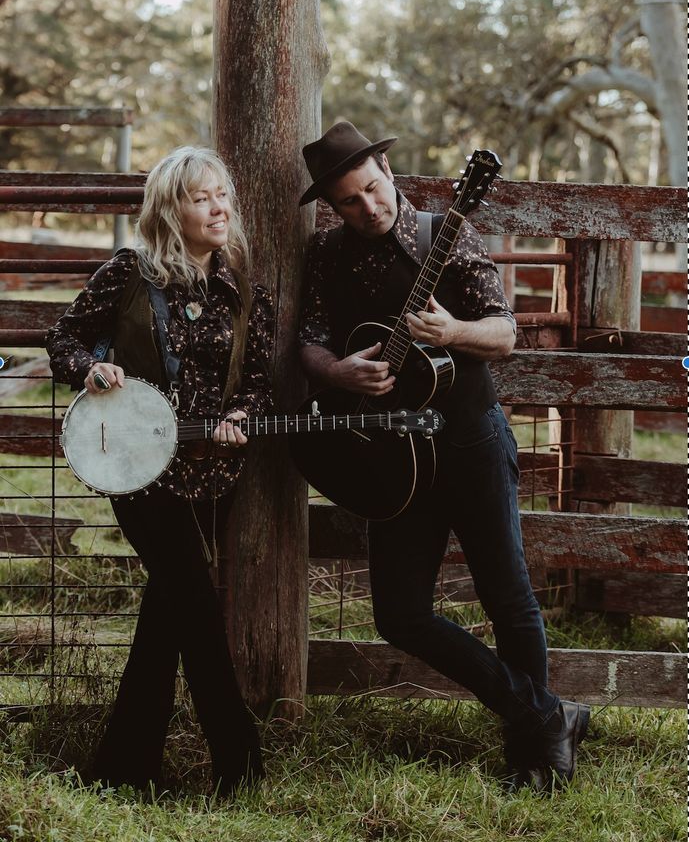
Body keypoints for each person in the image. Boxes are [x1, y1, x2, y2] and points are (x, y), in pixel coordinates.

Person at [296, 120, 589, 792]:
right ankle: (544, 715)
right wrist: (337, 373)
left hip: (467, 442)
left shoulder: (442, 235)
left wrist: (452, 330)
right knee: (398, 614)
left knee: (506, 598)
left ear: (388, 173)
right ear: (330, 206)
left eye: (372, 189)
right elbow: (306, 341)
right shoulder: (325, 257)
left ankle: (534, 755)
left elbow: (505, 333)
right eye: (349, 201)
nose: (368, 208)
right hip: (391, 461)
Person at [47, 146, 274, 798]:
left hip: (213, 474)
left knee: (169, 612)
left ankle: (124, 766)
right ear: (170, 208)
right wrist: (91, 370)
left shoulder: (241, 289)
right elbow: (63, 339)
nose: (219, 207)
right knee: (197, 608)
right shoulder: (129, 273)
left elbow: (257, 381)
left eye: (222, 195)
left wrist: (239, 416)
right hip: (139, 468)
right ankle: (239, 765)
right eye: (202, 197)